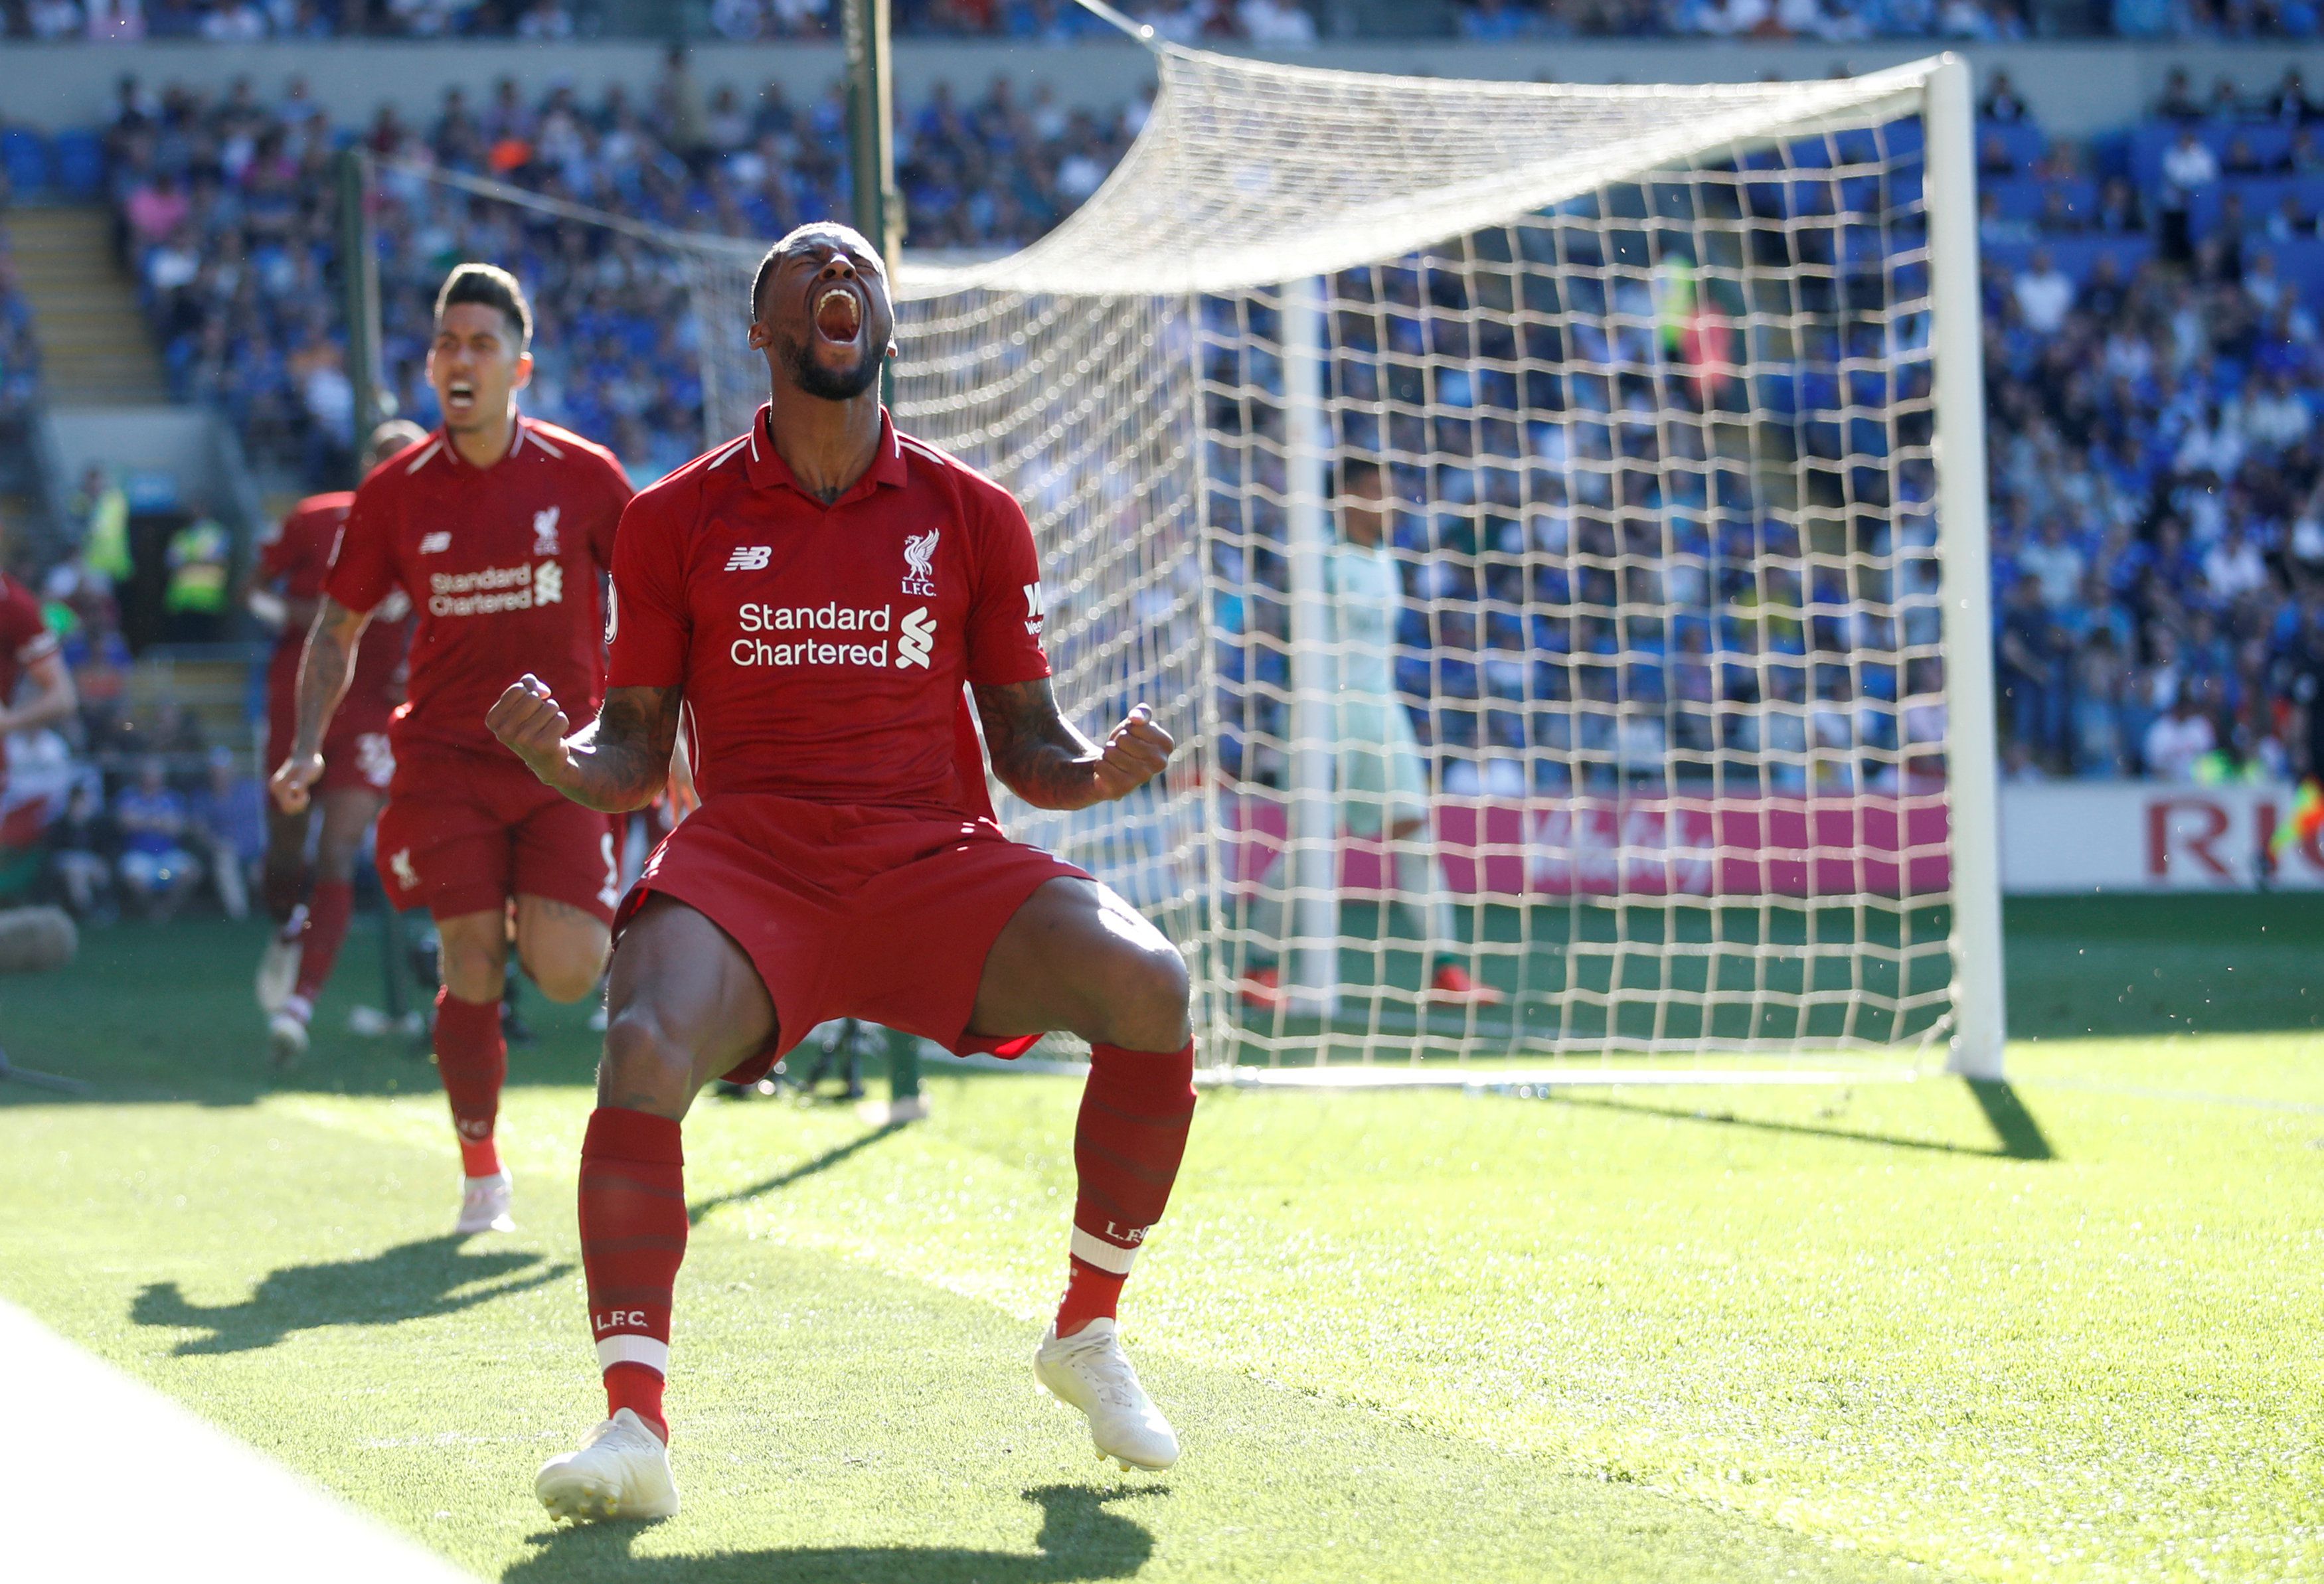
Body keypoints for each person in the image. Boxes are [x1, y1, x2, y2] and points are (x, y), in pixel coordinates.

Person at [489, 222, 1194, 1522]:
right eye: (806, 270)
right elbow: (636, 752)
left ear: (883, 323)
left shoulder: (975, 514)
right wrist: (561, 754)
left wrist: (1094, 770)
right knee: (641, 1037)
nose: (837, 277)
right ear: (763, 330)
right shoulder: (670, 519)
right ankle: (632, 1424)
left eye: (858, 269)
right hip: (752, 855)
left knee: (1151, 981)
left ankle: (1087, 1332)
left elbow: (1027, 747)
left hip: (933, 854)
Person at [271, 264, 632, 1235]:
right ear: (430, 367)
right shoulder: (392, 495)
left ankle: (537, 912)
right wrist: (308, 747)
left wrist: (660, 730)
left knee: (566, 972)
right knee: (469, 958)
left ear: (520, 366)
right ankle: (483, 1175)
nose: (459, 359)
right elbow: (335, 630)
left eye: (479, 344)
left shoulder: (587, 475)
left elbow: (649, 604)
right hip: (444, 758)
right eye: (445, 344)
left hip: (566, 757)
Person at [1240, 457, 1501, 1012]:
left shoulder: (1387, 560)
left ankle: (1446, 969)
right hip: (1320, 711)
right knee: (1314, 842)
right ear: (1349, 499)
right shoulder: (1322, 563)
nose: (1390, 503)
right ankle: (1260, 968)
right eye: (1377, 492)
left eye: (1391, 491)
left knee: (1416, 833)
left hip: (1379, 710)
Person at [250, 418, 428, 1066]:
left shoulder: (434, 536)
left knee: (339, 848)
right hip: (298, 700)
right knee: (286, 847)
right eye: (384, 457)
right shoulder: (317, 519)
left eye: (408, 459)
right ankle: (284, 922)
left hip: (372, 713)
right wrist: (308, 620)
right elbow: (253, 591)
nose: (395, 470)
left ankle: (299, 1007)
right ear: (364, 464)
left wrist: (421, 663)